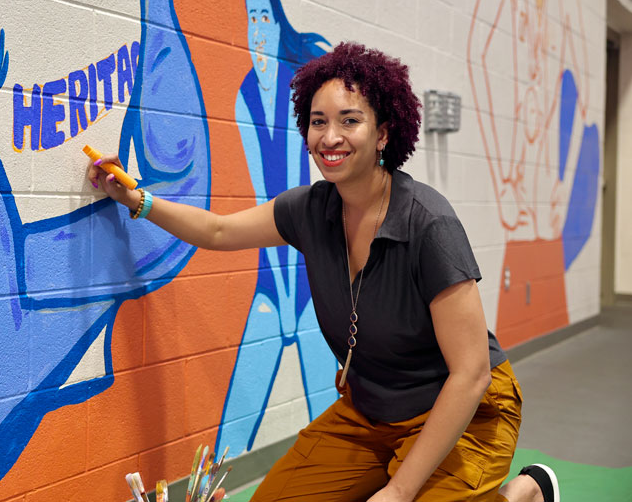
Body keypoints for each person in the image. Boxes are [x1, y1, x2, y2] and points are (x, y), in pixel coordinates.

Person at [89, 42, 560, 502]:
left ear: (383, 133)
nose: (329, 137)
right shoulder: (308, 210)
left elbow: (471, 374)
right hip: (371, 412)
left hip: (465, 413)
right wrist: (137, 200)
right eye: (318, 122)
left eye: (349, 120)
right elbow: (215, 231)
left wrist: (398, 490)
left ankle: (523, 492)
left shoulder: (429, 224)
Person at [217, 0, 334, 457]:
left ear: (278, 23)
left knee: (335, 420)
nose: (258, 28)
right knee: (230, 434)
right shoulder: (245, 95)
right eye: (252, 18)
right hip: (273, 278)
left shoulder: (297, 91)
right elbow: (265, 204)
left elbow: (294, 189)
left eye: (266, 16)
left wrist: (294, 299)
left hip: (309, 282)